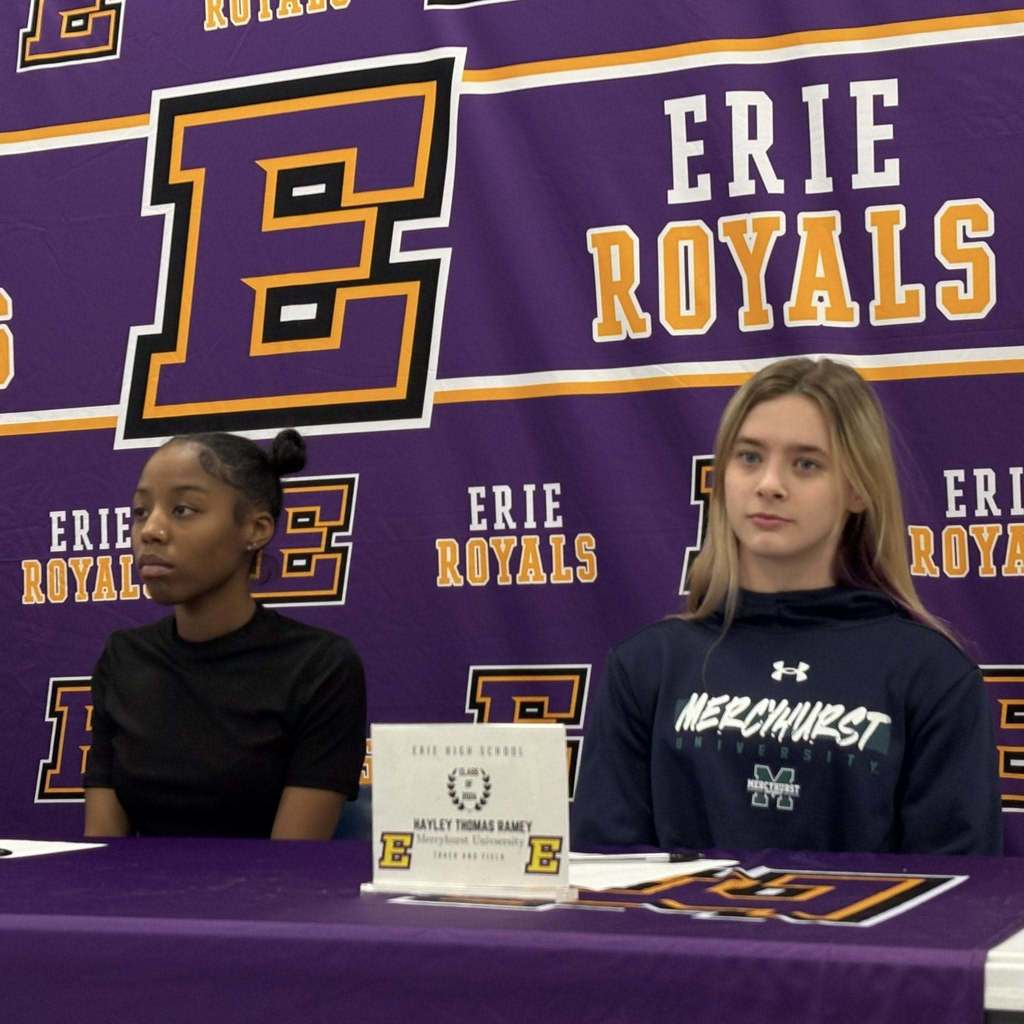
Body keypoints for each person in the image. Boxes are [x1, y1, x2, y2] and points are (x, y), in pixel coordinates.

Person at [572, 357, 1001, 855]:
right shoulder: (646, 669)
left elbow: (956, 902)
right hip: (679, 936)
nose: (769, 484)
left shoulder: (932, 677)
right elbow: (605, 886)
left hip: (866, 936)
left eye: (806, 464)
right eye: (749, 457)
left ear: (859, 488)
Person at [84, 429, 366, 839]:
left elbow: (293, 863)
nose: (150, 531)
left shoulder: (321, 667)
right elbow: (103, 850)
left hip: (273, 900)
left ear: (256, 529)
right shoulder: (124, 659)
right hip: (133, 900)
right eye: (140, 511)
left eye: (182, 510)